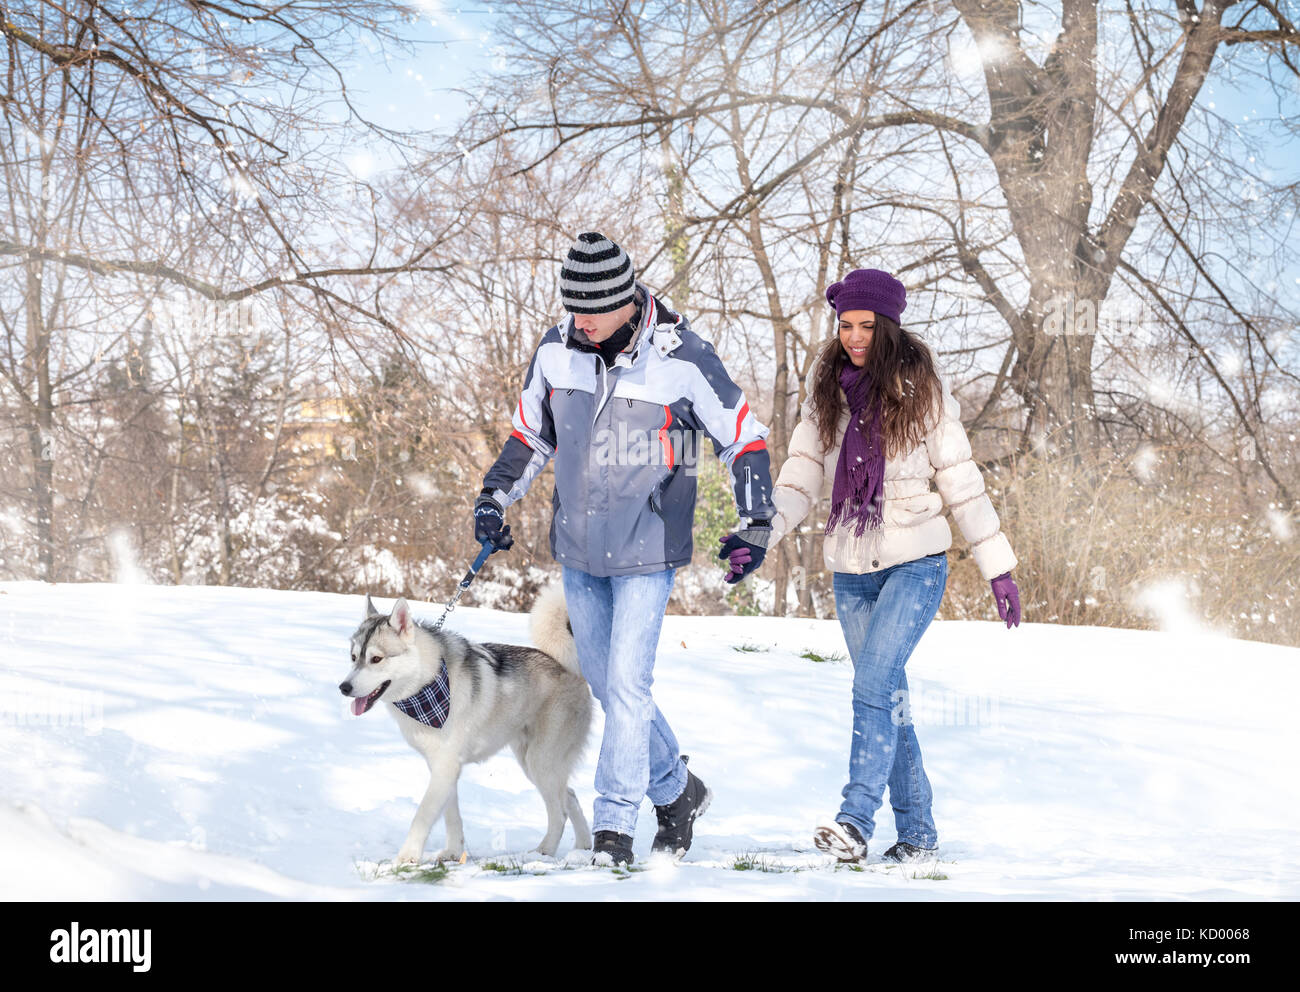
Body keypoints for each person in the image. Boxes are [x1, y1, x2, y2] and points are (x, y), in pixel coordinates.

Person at [475, 232, 776, 865]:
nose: (579, 320)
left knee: (630, 687)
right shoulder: (556, 351)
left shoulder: (682, 357)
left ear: (627, 299)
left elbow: (742, 437)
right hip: (580, 550)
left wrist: (756, 519)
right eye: (572, 306)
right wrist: (493, 500)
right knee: (612, 689)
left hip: (648, 546)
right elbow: (531, 435)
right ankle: (677, 790)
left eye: (593, 308)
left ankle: (615, 826)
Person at [764, 268, 1021, 865]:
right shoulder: (826, 390)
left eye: (866, 326)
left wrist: (997, 566)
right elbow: (800, 477)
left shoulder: (922, 392)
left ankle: (855, 820)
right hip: (852, 570)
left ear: (889, 326)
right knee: (889, 699)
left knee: (873, 686)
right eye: (846, 325)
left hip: (916, 564)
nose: (854, 337)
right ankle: (920, 834)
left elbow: (962, 483)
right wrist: (762, 533)